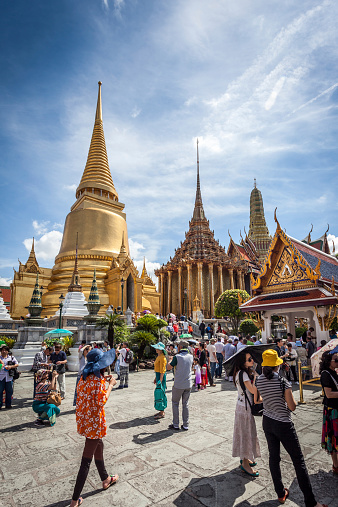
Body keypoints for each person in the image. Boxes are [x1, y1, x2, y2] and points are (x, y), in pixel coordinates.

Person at [257, 349, 327, 507]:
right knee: (298, 461)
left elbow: (263, 398)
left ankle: (280, 493)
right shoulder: (282, 382)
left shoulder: (259, 380)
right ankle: (311, 501)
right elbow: (292, 407)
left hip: (268, 421)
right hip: (283, 423)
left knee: (273, 459)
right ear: (277, 366)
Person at [70, 348, 118, 507]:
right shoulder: (98, 382)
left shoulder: (83, 379)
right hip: (94, 425)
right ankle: (74, 500)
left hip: (85, 422)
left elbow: (89, 394)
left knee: (99, 444)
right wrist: (110, 384)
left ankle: (105, 479)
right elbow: (102, 400)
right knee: (85, 461)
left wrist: (104, 380)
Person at [232, 351, 261, 477]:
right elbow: (253, 390)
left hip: (242, 406)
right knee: (245, 434)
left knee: (246, 433)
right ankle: (245, 463)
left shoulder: (241, 373)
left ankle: (246, 458)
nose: (252, 361)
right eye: (249, 359)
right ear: (242, 362)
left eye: (251, 359)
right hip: (245, 408)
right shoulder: (243, 374)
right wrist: (255, 377)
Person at [167, 340, 193, 430]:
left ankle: (176, 424)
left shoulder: (177, 357)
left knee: (175, 403)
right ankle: (186, 424)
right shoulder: (191, 356)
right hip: (188, 383)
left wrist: (170, 360)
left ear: (180, 347)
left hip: (178, 384)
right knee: (185, 404)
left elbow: (168, 367)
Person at [319, 347, 338, 475]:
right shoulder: (326, 374)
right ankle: (336, 465)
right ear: (329, 361)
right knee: (333, 437)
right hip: (333, 411)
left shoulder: (334, 372)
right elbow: (329, 394)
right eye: (336, 359)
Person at [152, 342, 167, 420]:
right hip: (158, 375)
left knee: (161, 392)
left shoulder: (162, 358)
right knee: (159, 393)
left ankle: (162, 412)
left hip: (161, 376)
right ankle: (161, 410)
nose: (155, 349)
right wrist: (156, 378)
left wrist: (160, 380)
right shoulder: (159, 356)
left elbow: (162, 370)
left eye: (157, 348)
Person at [0, 345, 18, 409]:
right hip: (1, 377)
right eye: (2, 350)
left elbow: (16, 364)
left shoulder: (11, 358)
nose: (4, 351)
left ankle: (8, 404)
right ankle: (0, 404)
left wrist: (10, 367)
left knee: (9, 391)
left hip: (9, 377)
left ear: (7, 351)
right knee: (0, 391)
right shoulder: (0, 358)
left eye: (5, 350)